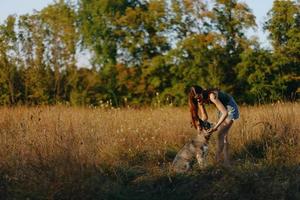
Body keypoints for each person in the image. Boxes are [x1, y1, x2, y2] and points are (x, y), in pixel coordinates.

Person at [189, 85, 239, 167]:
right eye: (196, 98)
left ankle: (217, 163)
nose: (198, 99)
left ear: (201, 92)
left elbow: (225, 113)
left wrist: (215, 127)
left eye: (199, 97)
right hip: (221, 108)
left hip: (230, 107)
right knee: (224, 137)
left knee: (221, 135)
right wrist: (200, 127)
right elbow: (204, 117)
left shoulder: (212, 96)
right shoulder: (199, 100)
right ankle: (227, 163)